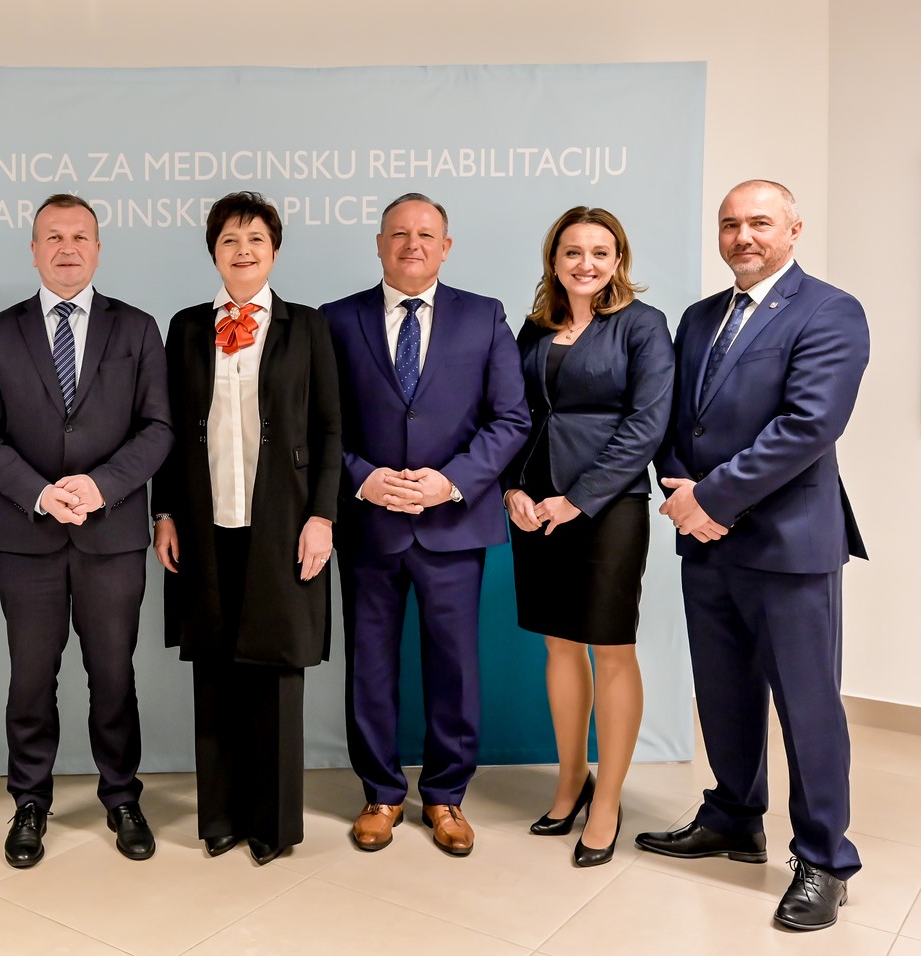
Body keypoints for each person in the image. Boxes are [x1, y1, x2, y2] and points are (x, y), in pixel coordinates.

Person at [636, 180, 868, 931]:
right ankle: (734, 816)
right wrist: (682, 494)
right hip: (707, 543)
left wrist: (712, 499)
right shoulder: (700, 317)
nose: (743, 236)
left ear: (794, 229)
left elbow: (809, 425)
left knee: (807, 706)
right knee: (723, 693)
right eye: (730, 223)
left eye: (760, 222)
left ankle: (825, 858)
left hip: (788, 545)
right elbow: (675, 421)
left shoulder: (830, 311)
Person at [0, 193, 171, 869]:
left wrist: (102, 486)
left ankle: (121, 796)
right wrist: (41, 493)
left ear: (98, 249)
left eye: (80, 236)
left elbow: (158, 428)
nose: (67, 247)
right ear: (33, 250)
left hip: (113, 535)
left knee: (113, 675)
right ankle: (29, 801)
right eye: (53, 236)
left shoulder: (137, 328)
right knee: (30, 679)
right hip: (29, 537)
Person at [323, 193, 528, 857]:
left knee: (454, 668)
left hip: (453, 523)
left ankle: (445, 795)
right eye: (399, 233)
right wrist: (361, 476)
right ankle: (380, 793)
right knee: (369, 666)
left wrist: (451, 482)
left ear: (446, 246)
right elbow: (319, 424)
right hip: (369, 523)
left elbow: (510, 419)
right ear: (380, 244)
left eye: (426, 234)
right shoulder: (336, 320)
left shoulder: (484, 316)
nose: (412, 244)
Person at [151, 192, 341, 865]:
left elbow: (330, 428)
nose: (243, 250)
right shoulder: (185, 328)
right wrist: (164, 512)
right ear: (214, 252)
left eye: (256, 239)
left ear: (275, 251)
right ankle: (221, 817)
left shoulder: (307, 326)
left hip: (283, 525)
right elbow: (168, 431)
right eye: (230, 239)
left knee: (277, 669)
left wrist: (322, 516)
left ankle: (273, 824)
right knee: (214, 668)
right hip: (205, 525)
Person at [503, 207, 673, 866]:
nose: (586, 264)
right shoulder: (535, 327)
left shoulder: (643, 325)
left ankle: (607, 802)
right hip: (536, 504)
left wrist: (578, 500)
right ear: (554, 259)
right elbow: (514, 415)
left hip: (608, 508)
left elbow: (647, 425)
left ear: (618, 259)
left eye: (600, 252)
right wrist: (512, 489)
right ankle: (571, 779)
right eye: (572, 252)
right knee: (559, 644)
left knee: (611, 648)